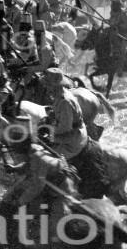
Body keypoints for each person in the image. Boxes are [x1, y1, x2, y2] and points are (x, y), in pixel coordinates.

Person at [2, 116, 78, 249]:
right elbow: (29, 166)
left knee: (55, 227)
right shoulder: (32, 151)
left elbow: (38, 185)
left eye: (16, 143)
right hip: (46, 183)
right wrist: (15, 168)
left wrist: (20, 201)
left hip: (61, 189)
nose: (14, 147)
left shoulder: (39, 156)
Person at [43, 68, 110, 199]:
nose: (46, 87)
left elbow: (65, 130)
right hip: (74, 134)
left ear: (54, 85)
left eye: (48, 84)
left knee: (48, 163)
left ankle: (61, 195)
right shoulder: (60, 96)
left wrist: (50, 134)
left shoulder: (64, 102)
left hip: (72, 141)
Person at [108, 0, 127, 78]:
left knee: (123, 48)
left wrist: (118, 26)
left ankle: (120, 68)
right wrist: (109, 21)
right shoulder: (113, 9)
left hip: (126, 33)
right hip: (116, 32)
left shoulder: (123, 10)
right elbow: (112, 19)